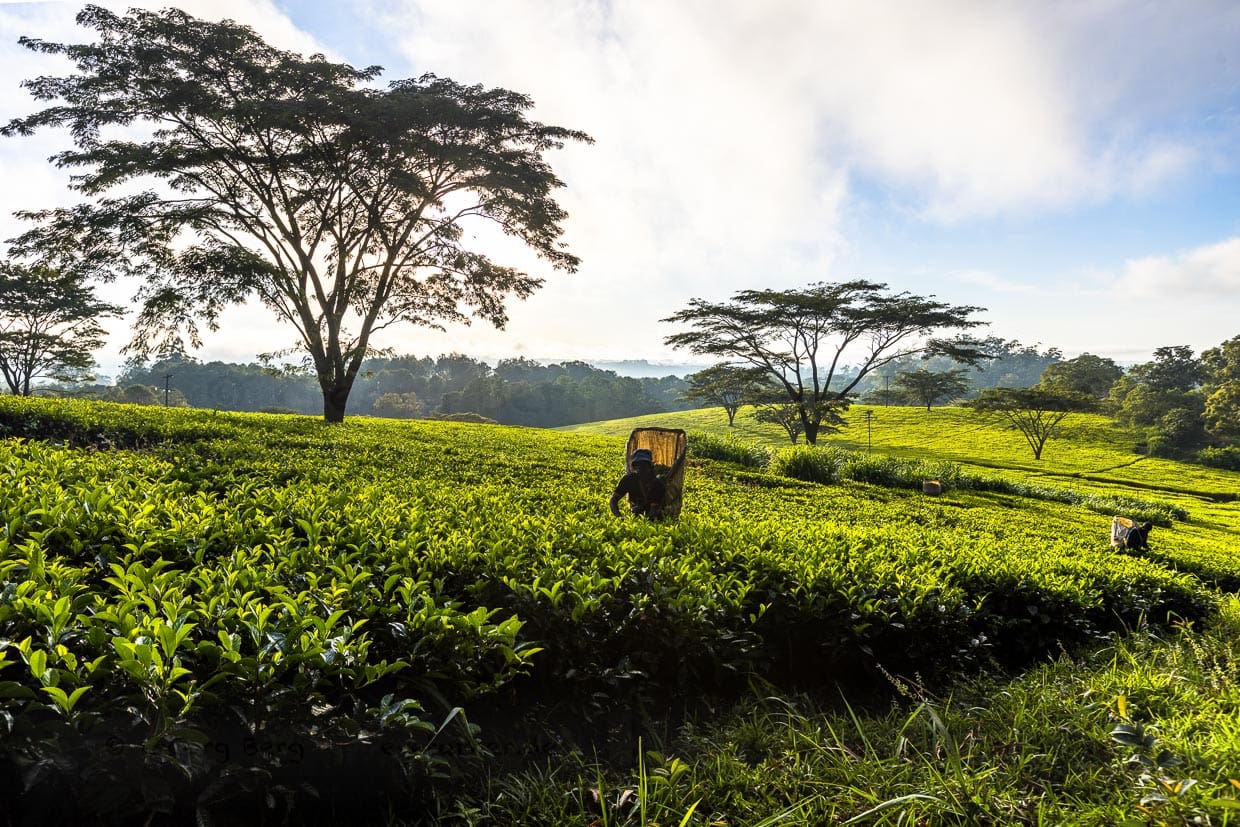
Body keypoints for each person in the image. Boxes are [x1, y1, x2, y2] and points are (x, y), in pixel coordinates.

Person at [610, 448, 666, 519]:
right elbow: (614, 499)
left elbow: (654, 509)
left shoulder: (657, 484)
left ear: (650, 466)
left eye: (644, 464)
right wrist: (618, 516)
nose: (640, 468)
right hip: (635, 514)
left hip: (654, 518)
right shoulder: (628, 479)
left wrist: (645, 521)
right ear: (634, 466)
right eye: (637, 464)